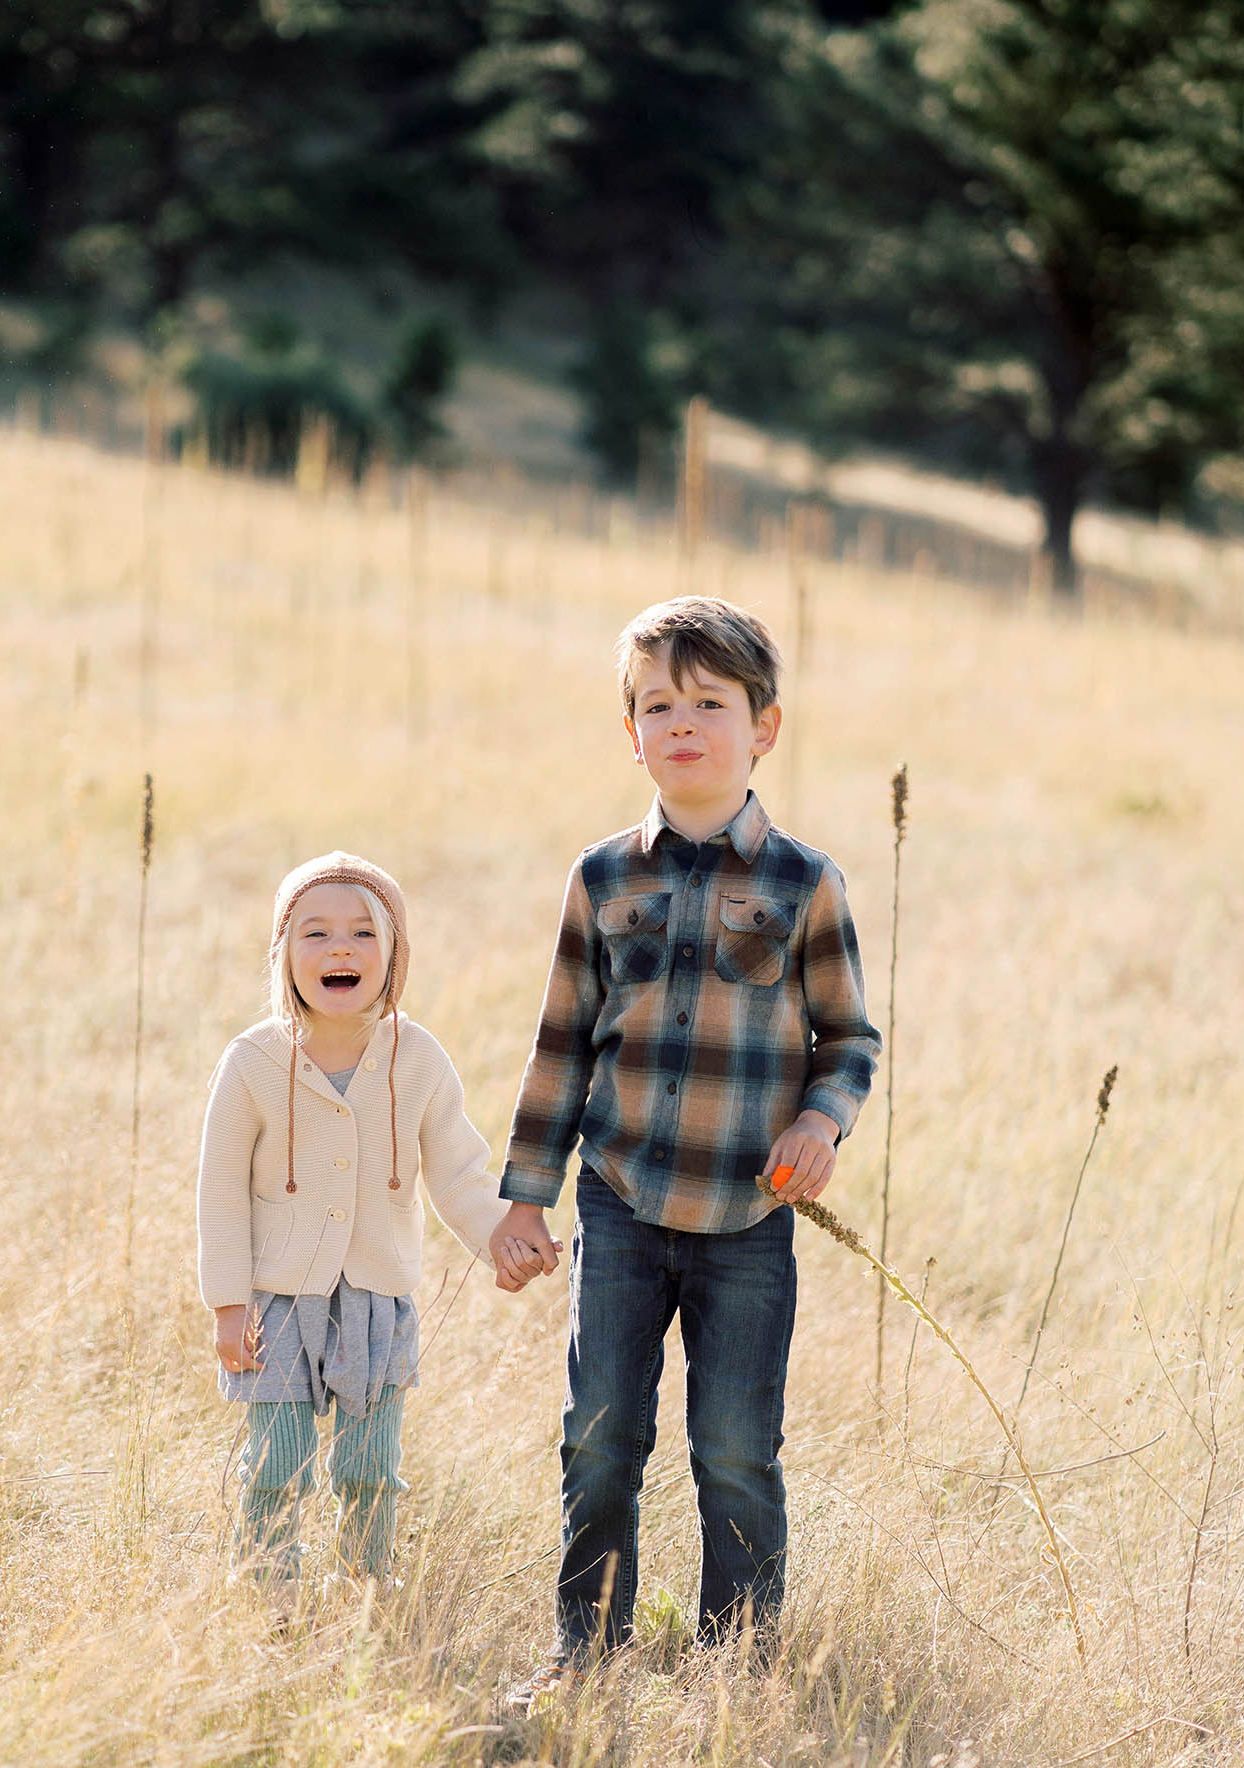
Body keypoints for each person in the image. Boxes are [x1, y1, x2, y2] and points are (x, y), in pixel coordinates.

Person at [489, 595, 881, 1693]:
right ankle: (587, 1650)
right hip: (619, 1200)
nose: (683, 725)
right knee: (602, 1439)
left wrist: (820, 1118)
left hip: (746, 1218)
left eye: (711, 703)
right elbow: (561, 1042)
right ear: (631, 734)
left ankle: (739, 1666)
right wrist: (526, 1195)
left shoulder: (804, 883)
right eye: (658, 705)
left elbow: (848, 1036)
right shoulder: (603, 878)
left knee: (735, 1451)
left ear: (765, 727)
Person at [197, 851, 537, 1596]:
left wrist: (501, 1238)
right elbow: (219, 1191)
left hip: (377, 1297)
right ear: (283, 955)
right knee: (277, 1459)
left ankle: (363, 1585)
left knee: (368, 1466)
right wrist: (228, 1303)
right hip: (276, 1301)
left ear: (394, 956)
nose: (340, 948)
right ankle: (267, 1590)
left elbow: (456, 1170)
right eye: (314, 934)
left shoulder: (416, 1057)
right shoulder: (253, 1061)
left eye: (363, 933)